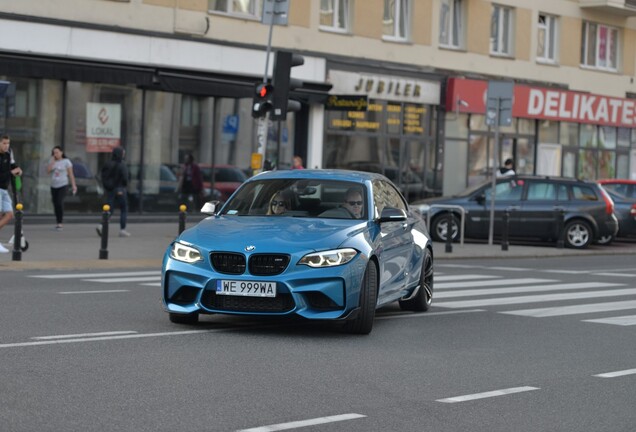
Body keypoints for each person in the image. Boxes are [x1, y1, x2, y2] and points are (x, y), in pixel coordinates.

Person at [99, 146, 130, 237]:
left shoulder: (107, 164)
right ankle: (122, 229)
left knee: (109, 209)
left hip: (110, 190)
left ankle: (101, 225)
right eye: (123, 153)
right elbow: (125, 178)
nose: (123, 155)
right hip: (120, 189)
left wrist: (108, 186)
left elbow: (103, 176)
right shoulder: (122, 165)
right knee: (123, 209)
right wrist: (124, 185)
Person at [0, 135, 22, 253]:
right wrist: (11, 172)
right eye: (4, 143)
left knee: (9, 214)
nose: (6, 146)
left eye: (8, 143)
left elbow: (12, 165)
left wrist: (17, 168)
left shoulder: (8, 154)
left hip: (4, 189)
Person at [47, 146, 77, 231]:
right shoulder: (52, 161)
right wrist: (52, 162)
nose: (55, 154)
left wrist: (74, 185)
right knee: (55, 203)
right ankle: (57, 222)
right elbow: (48, 171)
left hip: (63, 184)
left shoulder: (66, 162)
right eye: (54, 153)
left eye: (57, 152)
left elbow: (71, 174)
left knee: (59, 202)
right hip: (54, 185)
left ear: (61, 152)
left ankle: (60, 223)